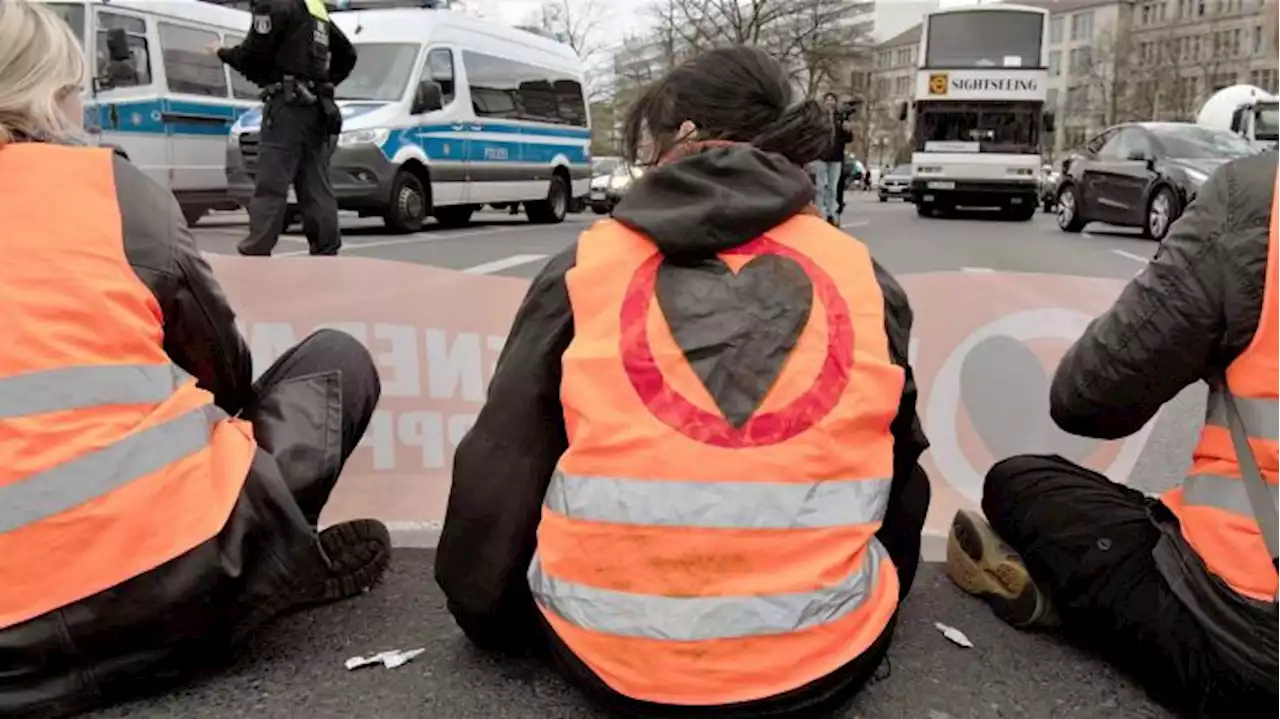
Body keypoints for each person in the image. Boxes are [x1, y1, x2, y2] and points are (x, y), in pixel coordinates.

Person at [436, 46, 931, 718]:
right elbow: (897, 467)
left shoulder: (584, 266)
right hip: (820, 660)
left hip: (605, 652)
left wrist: (485, 609)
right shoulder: (862, 275)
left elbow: (504, 461)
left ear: (678, 136)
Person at [0, 4, 388, 716]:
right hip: (177, 581)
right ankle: (274, 566)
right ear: (49, 94)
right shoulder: (104, 189)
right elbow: (226, 374)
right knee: (336, 358)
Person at [946, 150, 1280, 716]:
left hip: (1246, 641)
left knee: (1021, 483)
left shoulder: (1256, 201)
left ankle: (1072, 606)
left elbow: (1089, 400)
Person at [211, 0, 357, 256]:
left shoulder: (272, 4)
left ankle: (258, 244)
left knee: (272, 180)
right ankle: (326, 244)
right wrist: (322, 82)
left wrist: (222, 53)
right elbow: (347, 54)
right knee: (315, 181)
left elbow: (253, 56)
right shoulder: (315, 7)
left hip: (286, 107)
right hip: (317, 108)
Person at [809, 92, 851, 226]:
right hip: (821, 156)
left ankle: (831, 213)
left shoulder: (841, 118)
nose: (830, 102)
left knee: (832, 188)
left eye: (832, 99)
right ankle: (819, 213)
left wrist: (848, 131)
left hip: (836, 157)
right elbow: (813, 135)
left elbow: (848, 139)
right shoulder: (818, 118)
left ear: (835, 103)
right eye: (827, 99)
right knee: (820, 186)